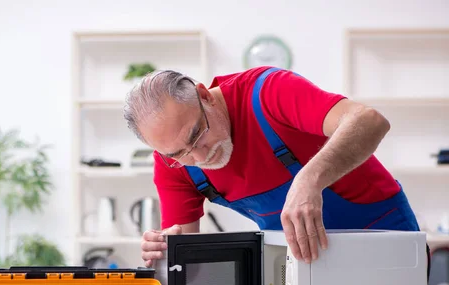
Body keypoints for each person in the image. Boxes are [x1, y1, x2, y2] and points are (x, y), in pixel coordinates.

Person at [123, 66, 424, 268]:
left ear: (204, 96)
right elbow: (187, 264)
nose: (199, 158)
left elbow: (370, 121)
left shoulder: (267, 93)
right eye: (179, 153)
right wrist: (165, 254)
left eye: (197, 135)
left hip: (382, 242)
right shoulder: (172, 163)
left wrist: (309, 180)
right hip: (299, 262)